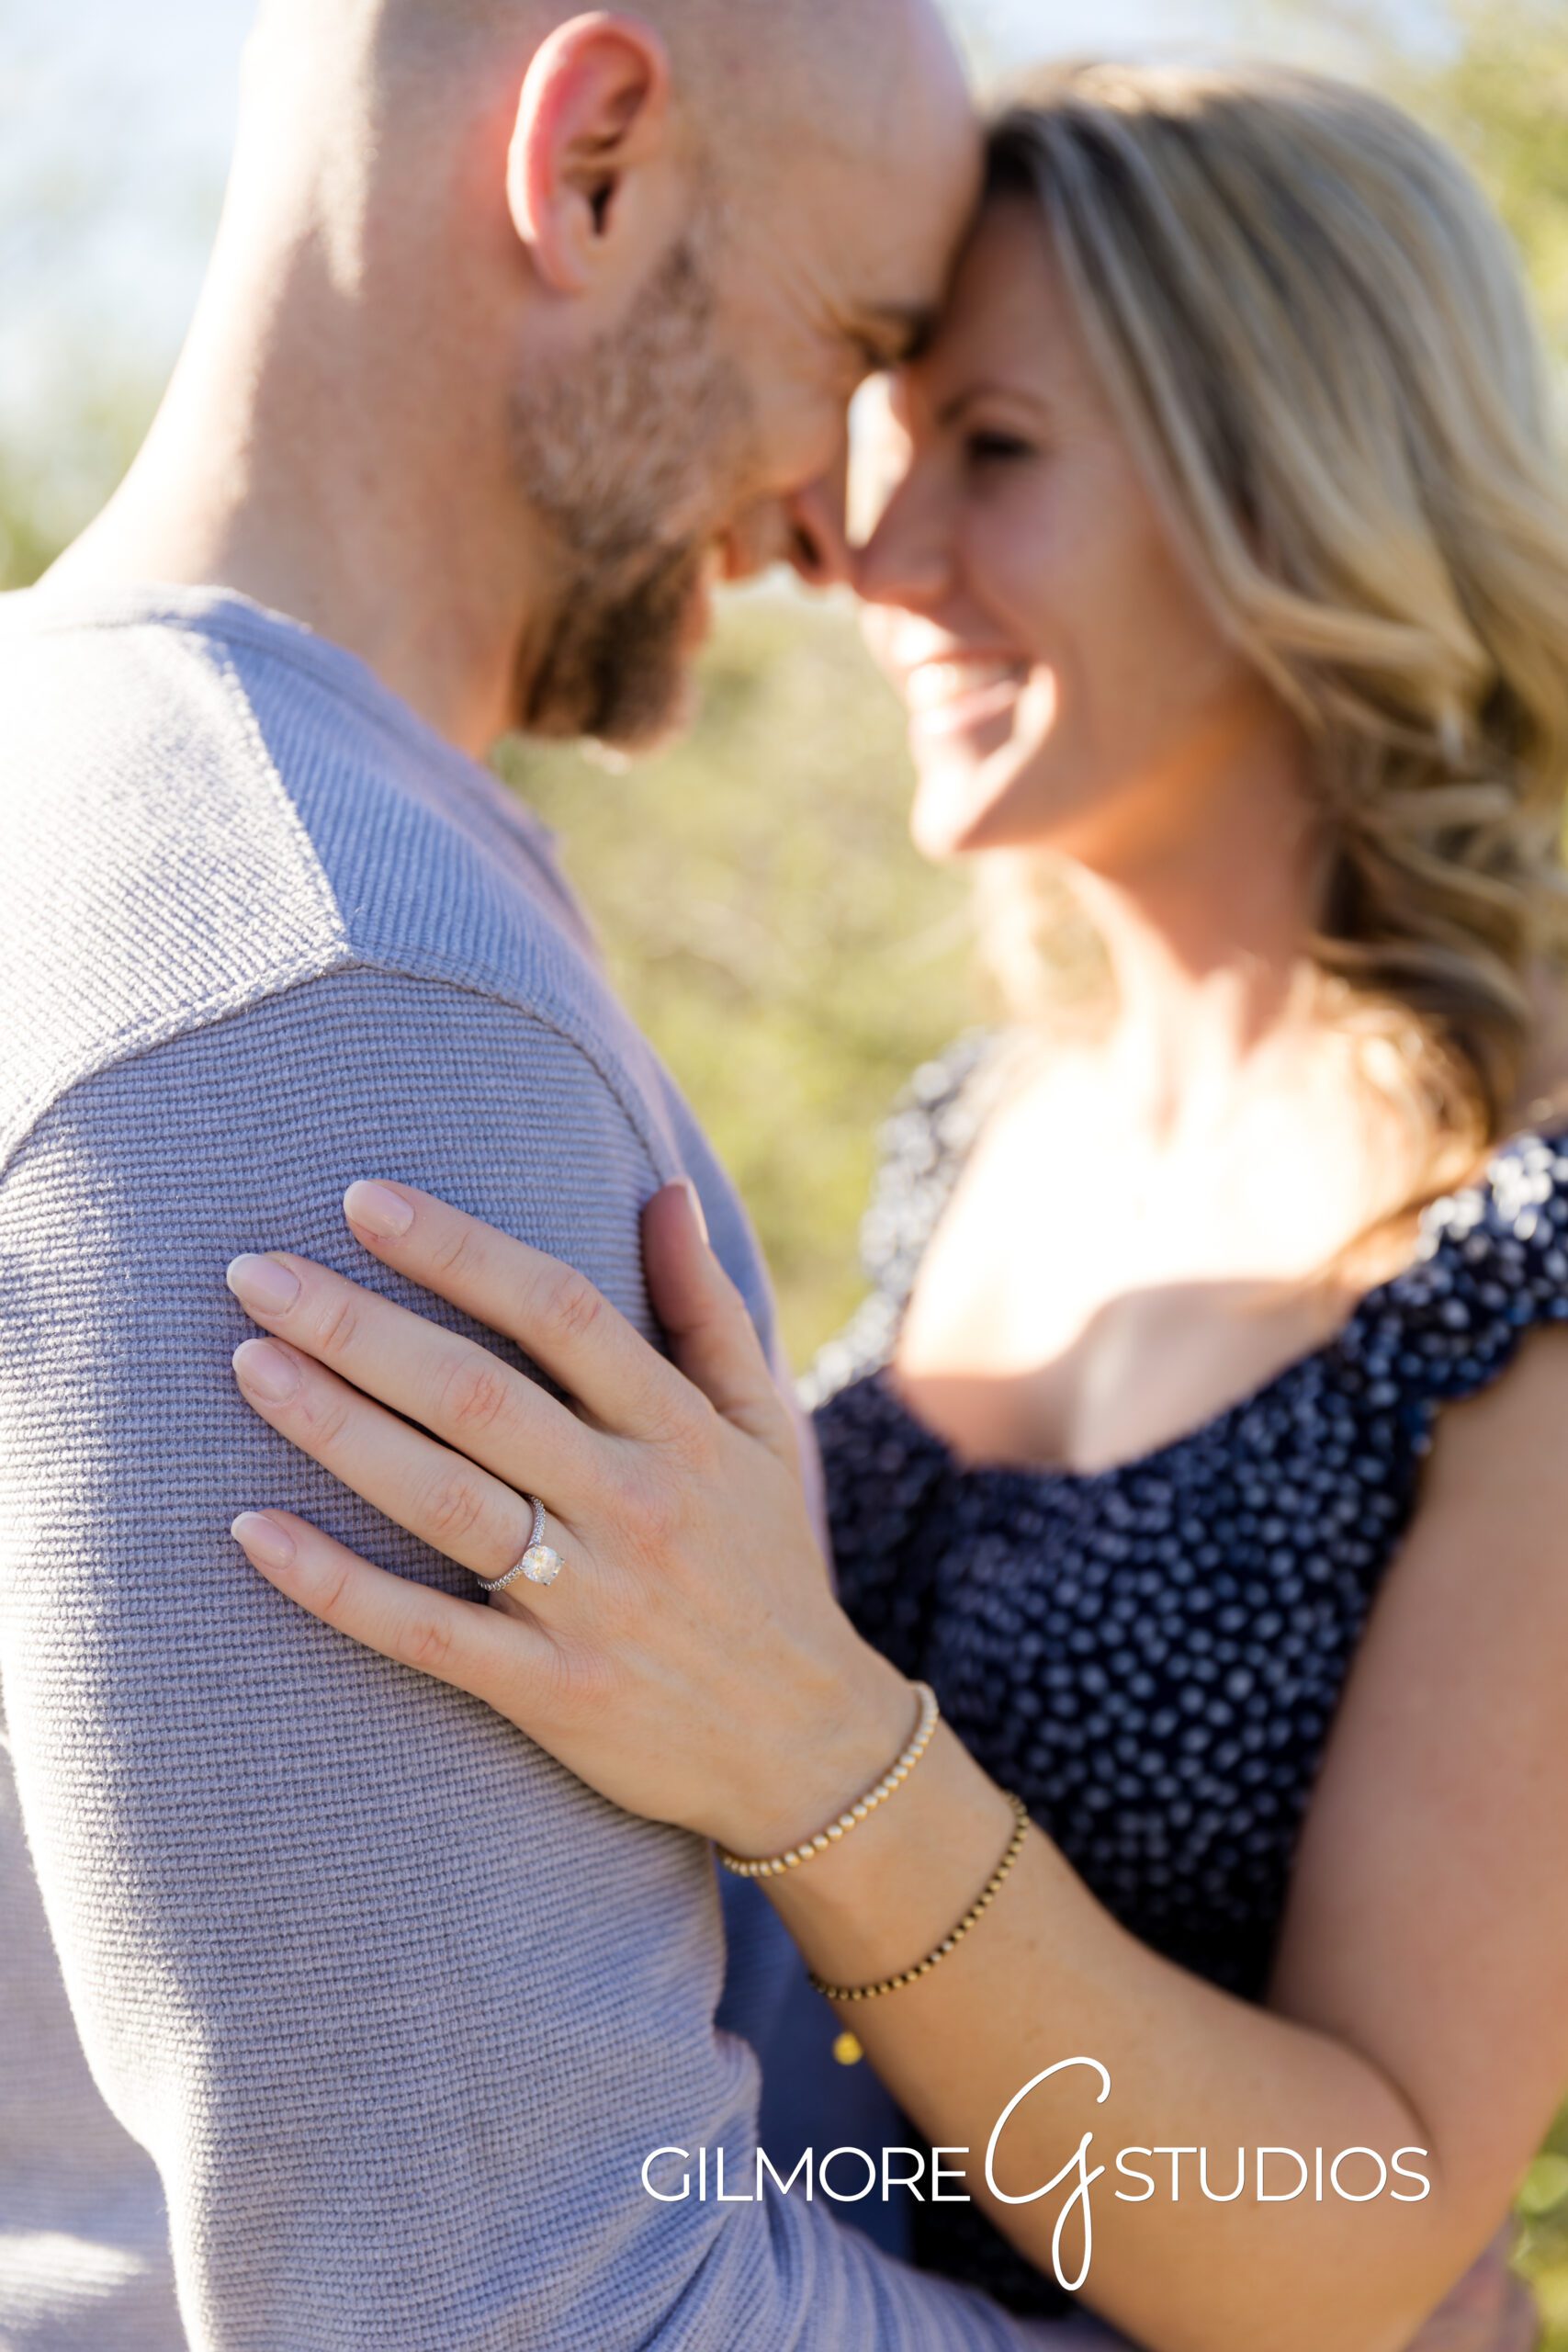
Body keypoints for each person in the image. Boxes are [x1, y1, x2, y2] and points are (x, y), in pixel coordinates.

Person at [213, 59, 1568, 2352]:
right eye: (879, 432)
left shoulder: (1522, 1243)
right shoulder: (976, 1123)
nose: (866, 549)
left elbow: (1353, 2230)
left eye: (995, 451)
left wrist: (810, 1746)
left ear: (1297, 480)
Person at [0, 4, 1080, 2347]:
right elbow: (545, 2306)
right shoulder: (325, 976)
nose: (846, 519)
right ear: (591, 161)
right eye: (856, 345)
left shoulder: (91, 779)